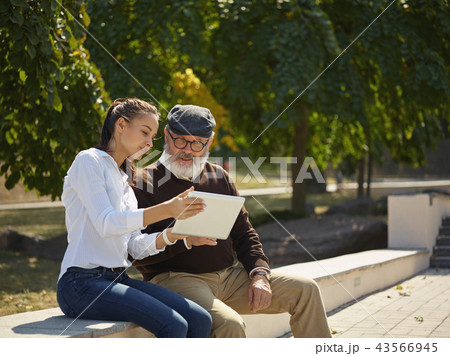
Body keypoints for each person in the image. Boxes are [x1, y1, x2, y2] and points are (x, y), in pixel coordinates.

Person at [131, 104, 332, 338]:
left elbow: (244, 233)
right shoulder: (142, 182)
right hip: (175, 280)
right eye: (181, 141)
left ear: (210, 142)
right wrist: (184, 239)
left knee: (305, 290)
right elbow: (136, 253)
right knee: (230, 323)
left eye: (198, 143)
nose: (188, 150)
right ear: (166, 135)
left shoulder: (220, 177)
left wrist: (259, 275)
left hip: (229, 277)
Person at [57, 99, 212, 338]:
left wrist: (175, 234)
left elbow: (133, 246)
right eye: (145, 132)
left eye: (153, 137)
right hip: (80, 284)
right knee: (175, 325)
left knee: (200, 319)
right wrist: (168, 209)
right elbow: (107, 223)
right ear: (121, 125)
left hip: (117, 278)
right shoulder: (89, 161)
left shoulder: (125, 182)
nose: (149, 143)